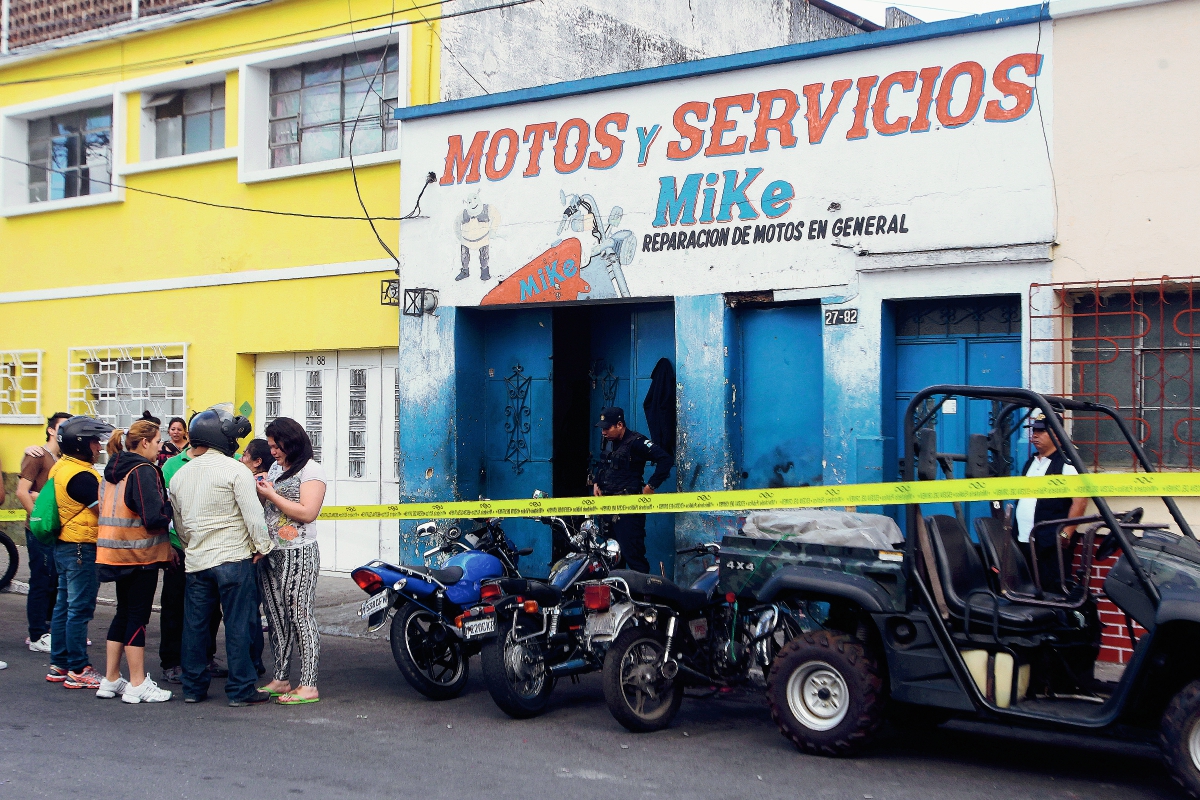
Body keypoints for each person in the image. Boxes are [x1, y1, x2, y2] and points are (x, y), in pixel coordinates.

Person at [168, 406, 273, 706]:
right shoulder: (236, 471)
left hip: (197, 561)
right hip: (233, 559)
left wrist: (191, 548)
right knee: (238, 625)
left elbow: (179, 524)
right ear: (221, 438)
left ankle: (193, 688)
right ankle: (241, 690)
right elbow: (253, 516)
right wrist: (262, 547)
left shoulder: (180, 475)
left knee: (195, 627)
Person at [95, 418, 174, 703]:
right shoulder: (143, 470)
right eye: (157, 442)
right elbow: (153, 517)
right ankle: (138, 683)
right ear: (144, 442)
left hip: (113, 553)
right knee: (138, 617)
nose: (160, 447)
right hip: (140, 555)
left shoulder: (112, 469)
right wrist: (171, 508)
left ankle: (111, 678)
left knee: (123, 613)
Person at [256, 417, 327, 705]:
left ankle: (308, 684)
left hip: (299, 552)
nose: (272, 452)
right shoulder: (276, 468)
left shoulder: (311, 470)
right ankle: (281, 677)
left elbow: (308, 513)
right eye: (270, 446)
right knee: (276, 617)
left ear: (291, 443)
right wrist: (262, 492)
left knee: (300, 616)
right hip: (271, 551)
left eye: (276, 446)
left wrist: (271, 494)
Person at [46, 415, 113, 689]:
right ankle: (78, 668)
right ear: (81, 444)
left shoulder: (61, 467)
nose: (99, 446)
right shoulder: (82, 476)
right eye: (95, 441)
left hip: (65, 545)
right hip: (81, 548)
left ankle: (59, 664)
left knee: (63, 606)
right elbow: (104, 511)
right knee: (79, 609)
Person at [159, 435, 226, 684]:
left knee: (211, 608)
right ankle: (172, 662)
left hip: (211, 549)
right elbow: (163, 507)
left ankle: (206, 658)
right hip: (179, 548)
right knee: (175, 607)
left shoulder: (224, 460)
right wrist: (167, 546)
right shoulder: (172, 466)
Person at [591, 407, 673, 573]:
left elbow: (665, 459)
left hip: (628, 511)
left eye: (607, 428)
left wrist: (651, 486)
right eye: (602, 429)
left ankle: (642, 589)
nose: (604, 432)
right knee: (611, 557)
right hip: (607, 508)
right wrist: (596, 482)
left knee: (633, 556)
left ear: (620, 425)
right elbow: (604, 464)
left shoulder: (636, 442)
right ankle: (616, 589)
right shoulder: (609, 441)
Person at [1014, 410, 1089, 592]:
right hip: (1024, 541)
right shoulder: (1030, 463)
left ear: (1056, 434)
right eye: (1034, 430)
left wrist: (1066, 533)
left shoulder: (1067, 463)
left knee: (1053, 591)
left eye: (1041, 431)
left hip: (1050, 544)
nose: (1035, 435)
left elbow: (1080, 501)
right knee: (1027, 590)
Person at [16, 412, 71, 653]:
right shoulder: (36, 455)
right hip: (40, 530)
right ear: (51, 430)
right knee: (41, 580)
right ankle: (37, 634)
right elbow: (22, 492)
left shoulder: (64, 459)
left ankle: (52, 630)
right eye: (62, 427)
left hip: (58, 530)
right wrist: (38, 520)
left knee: (56, 580)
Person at [240, 438, 274, 677]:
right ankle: (255, 661)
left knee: (249, 609)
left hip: (254, 552)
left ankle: (251, 662)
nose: (240, 459)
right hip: (262, 550)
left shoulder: (255, 483)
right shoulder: (269, 480)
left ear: (257, 461)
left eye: (245, 455)